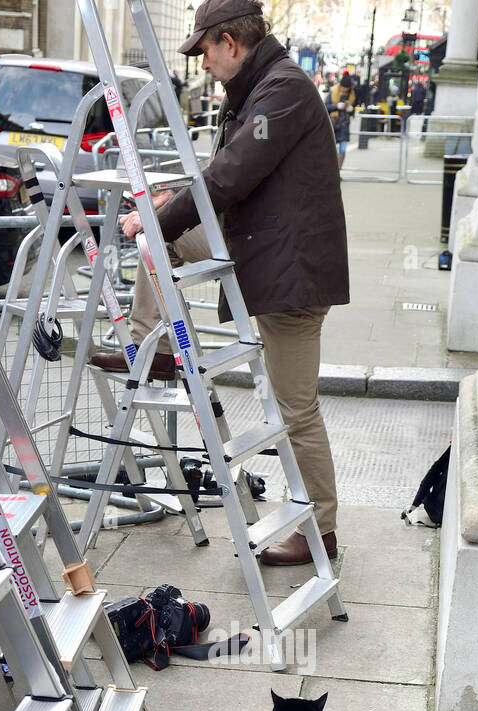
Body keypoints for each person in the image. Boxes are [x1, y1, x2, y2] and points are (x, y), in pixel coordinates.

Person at [91, 0, 348, 565]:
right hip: (265, 250)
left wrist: (163, 215)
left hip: (291, 271)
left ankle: (319, 532)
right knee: (161, 245)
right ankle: (152, 347)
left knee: (295, 408)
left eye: (205, 49)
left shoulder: (281, 91)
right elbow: (223, 175)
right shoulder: (262, 89)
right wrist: (167, 212)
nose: (202, 62)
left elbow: (230, 177)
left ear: (231, 42)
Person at [325, 70, 356, 171]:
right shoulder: (333, 91)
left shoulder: (352, 95)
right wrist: (337, 106)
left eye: (347, 89)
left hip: (344, 126)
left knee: (342, 150)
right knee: (330, 151)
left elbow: (354, 111)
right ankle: (330, 172)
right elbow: (325, 107)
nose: (345, 90)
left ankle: (337, 172)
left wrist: (351, 110)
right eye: (343, 88)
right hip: (333, 126)